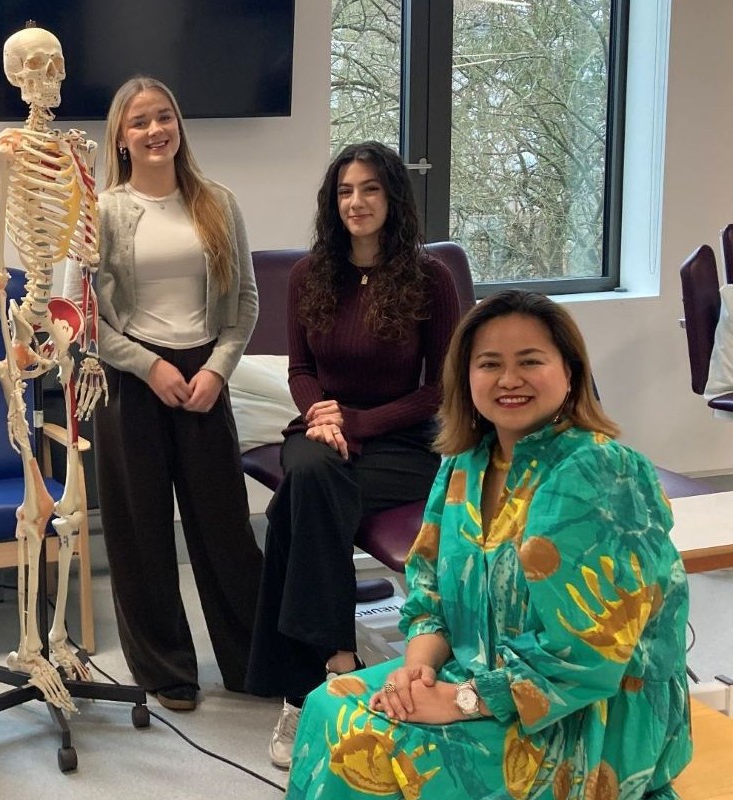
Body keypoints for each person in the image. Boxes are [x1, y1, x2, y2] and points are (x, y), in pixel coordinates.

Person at [287, 289, 692, 799]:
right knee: (328, 704)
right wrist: (418, 669)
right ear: (466, 377)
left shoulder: (597, 473)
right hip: (481, 676)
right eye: (490, 364)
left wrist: (461, 700)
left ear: (570, 373)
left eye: (530, 361)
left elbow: (590, 657)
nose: (509, 379)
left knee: (371, 746)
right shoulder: (466, 464)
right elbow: (429, 590)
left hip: (589, 714)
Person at [245, 141, 462, 769]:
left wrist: (359, 422)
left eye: (370, 189)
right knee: (312, 475)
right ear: (331, 202)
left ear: (393, 198)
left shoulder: (429, 279)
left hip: (402, 440)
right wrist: (322, 415)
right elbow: (301, 370)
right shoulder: (311, 275)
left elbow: (439, 389)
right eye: (345, 191)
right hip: (321, 434)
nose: (356, 202)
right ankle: (338, 663)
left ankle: (305, 689)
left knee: (301, 500)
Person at [80, 75, 263, 711]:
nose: (155, 130)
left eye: (165, 117)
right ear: (121, 138)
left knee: (226, 529)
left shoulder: (218, 202)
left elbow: (245, 300)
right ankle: (166, 670)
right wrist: (148, 366)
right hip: (132, 382)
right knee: (140, 533)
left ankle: (252, 660)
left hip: (205, 376)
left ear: (178, 125)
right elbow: (81, 316)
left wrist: (217, 370)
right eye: (140, 122)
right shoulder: (102, 211)